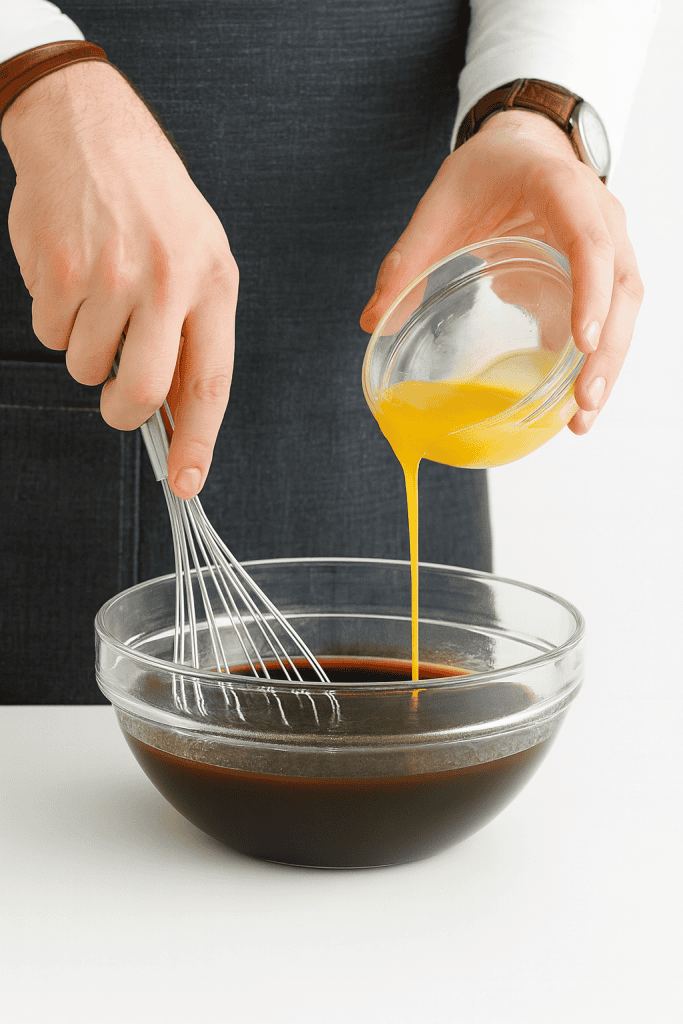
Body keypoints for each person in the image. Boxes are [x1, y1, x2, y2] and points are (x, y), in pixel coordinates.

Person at [0, 0, 655, 702]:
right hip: (58, 337)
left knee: (418, 746)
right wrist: (31, 62)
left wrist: (536, 110)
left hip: (392, 345)